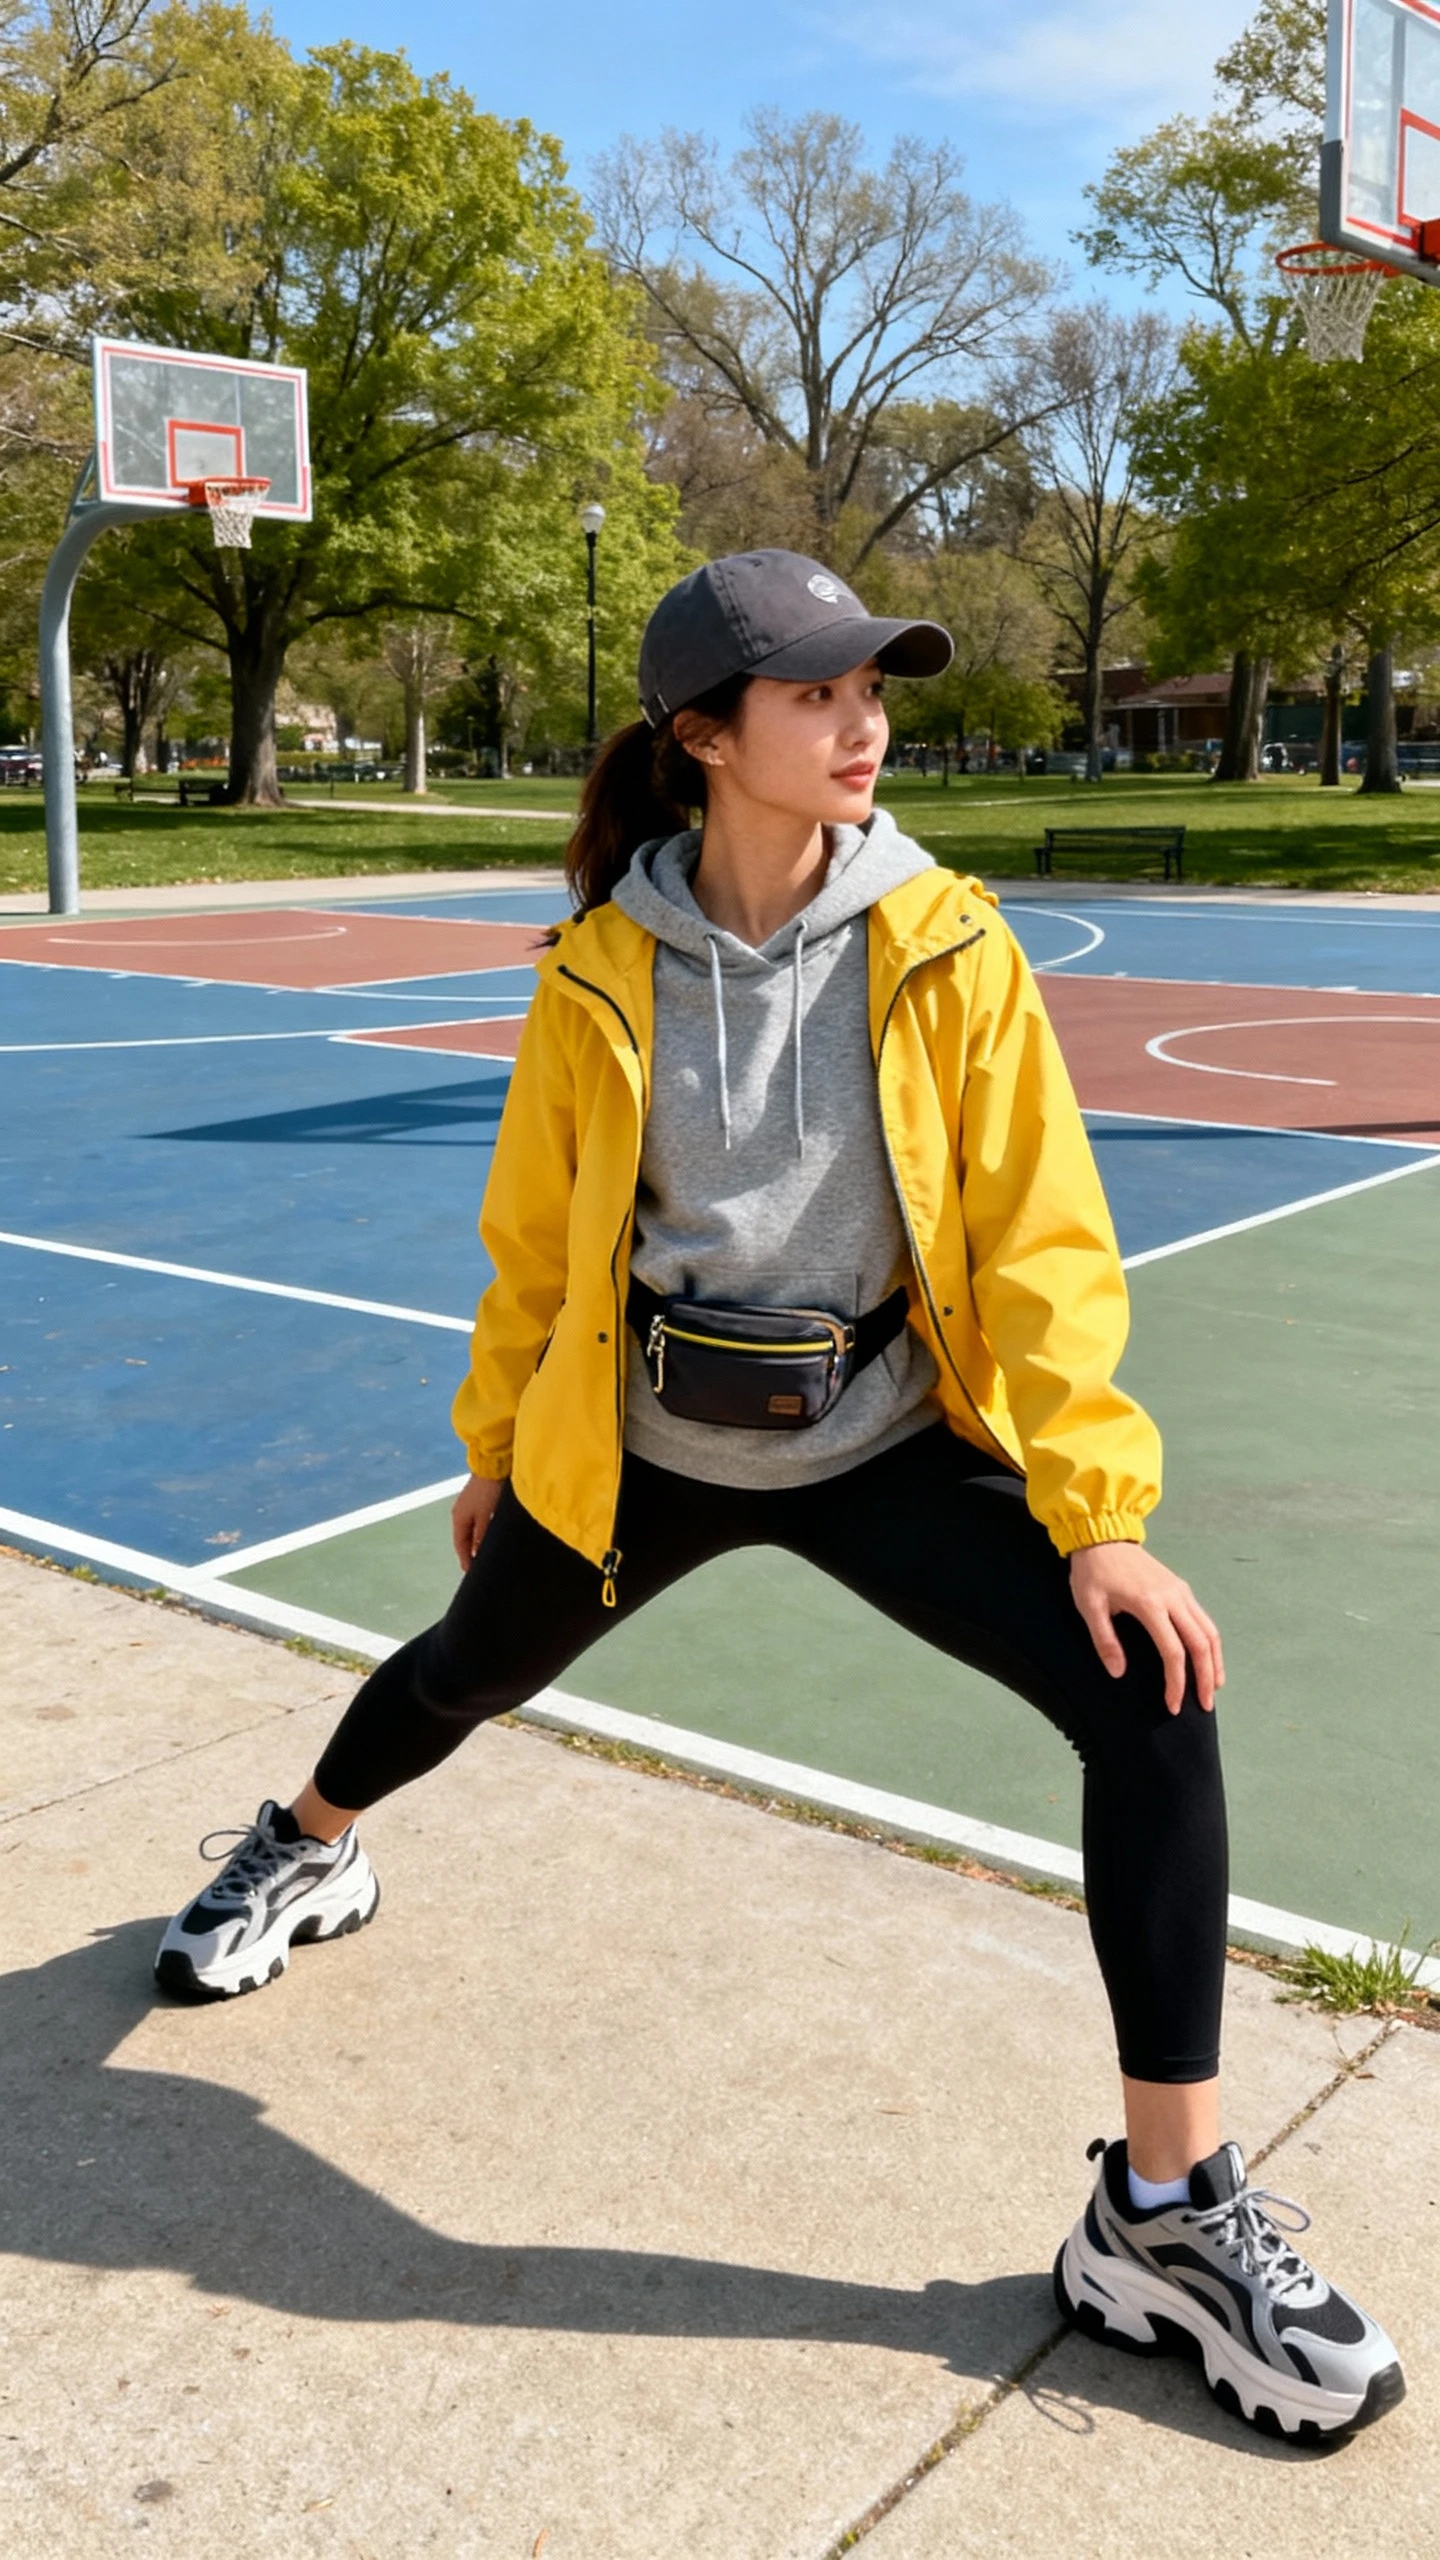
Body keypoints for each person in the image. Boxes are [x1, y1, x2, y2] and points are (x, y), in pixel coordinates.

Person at [156, 548, 1403, 2443]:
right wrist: (501, 1449)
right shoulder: (599, 969)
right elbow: (533, 1246)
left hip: (881, 1442)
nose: (863, 722)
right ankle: (308, 1835)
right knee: (463, 1672)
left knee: (1153, 1693)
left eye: (870, 689)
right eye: (817, 693)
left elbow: (1044, 1242)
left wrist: (1099, 1511)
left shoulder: (950, 947)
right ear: (705, 738)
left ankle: (1160, 2211)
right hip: (641, 1449)